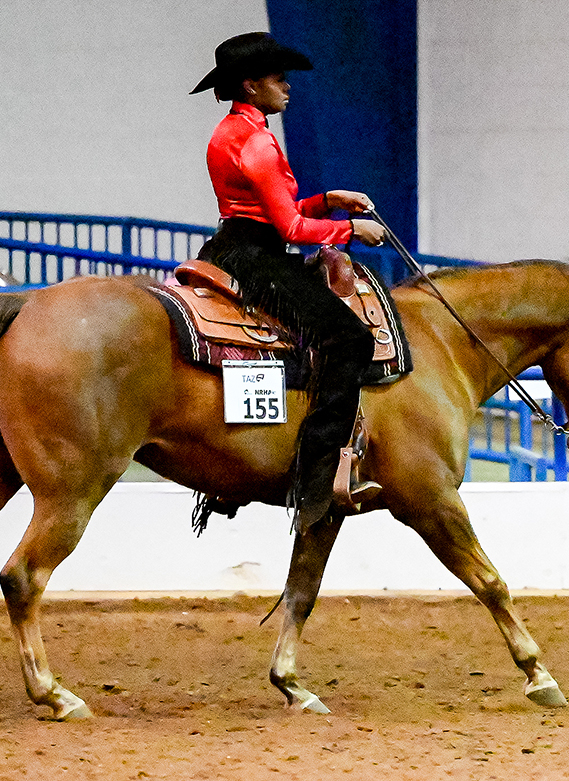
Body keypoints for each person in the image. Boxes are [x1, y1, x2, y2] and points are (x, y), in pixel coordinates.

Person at [191, 32, 387, 530]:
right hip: (256, 259)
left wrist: (328, 200)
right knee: (349, 339)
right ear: (252, 85)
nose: (288, 87)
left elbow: (266, 210)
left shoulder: (229, 132)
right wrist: (352, 230)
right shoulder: (257, 141)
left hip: (231, 246)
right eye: (279, 79)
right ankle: (318, 476)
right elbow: (291, 231)